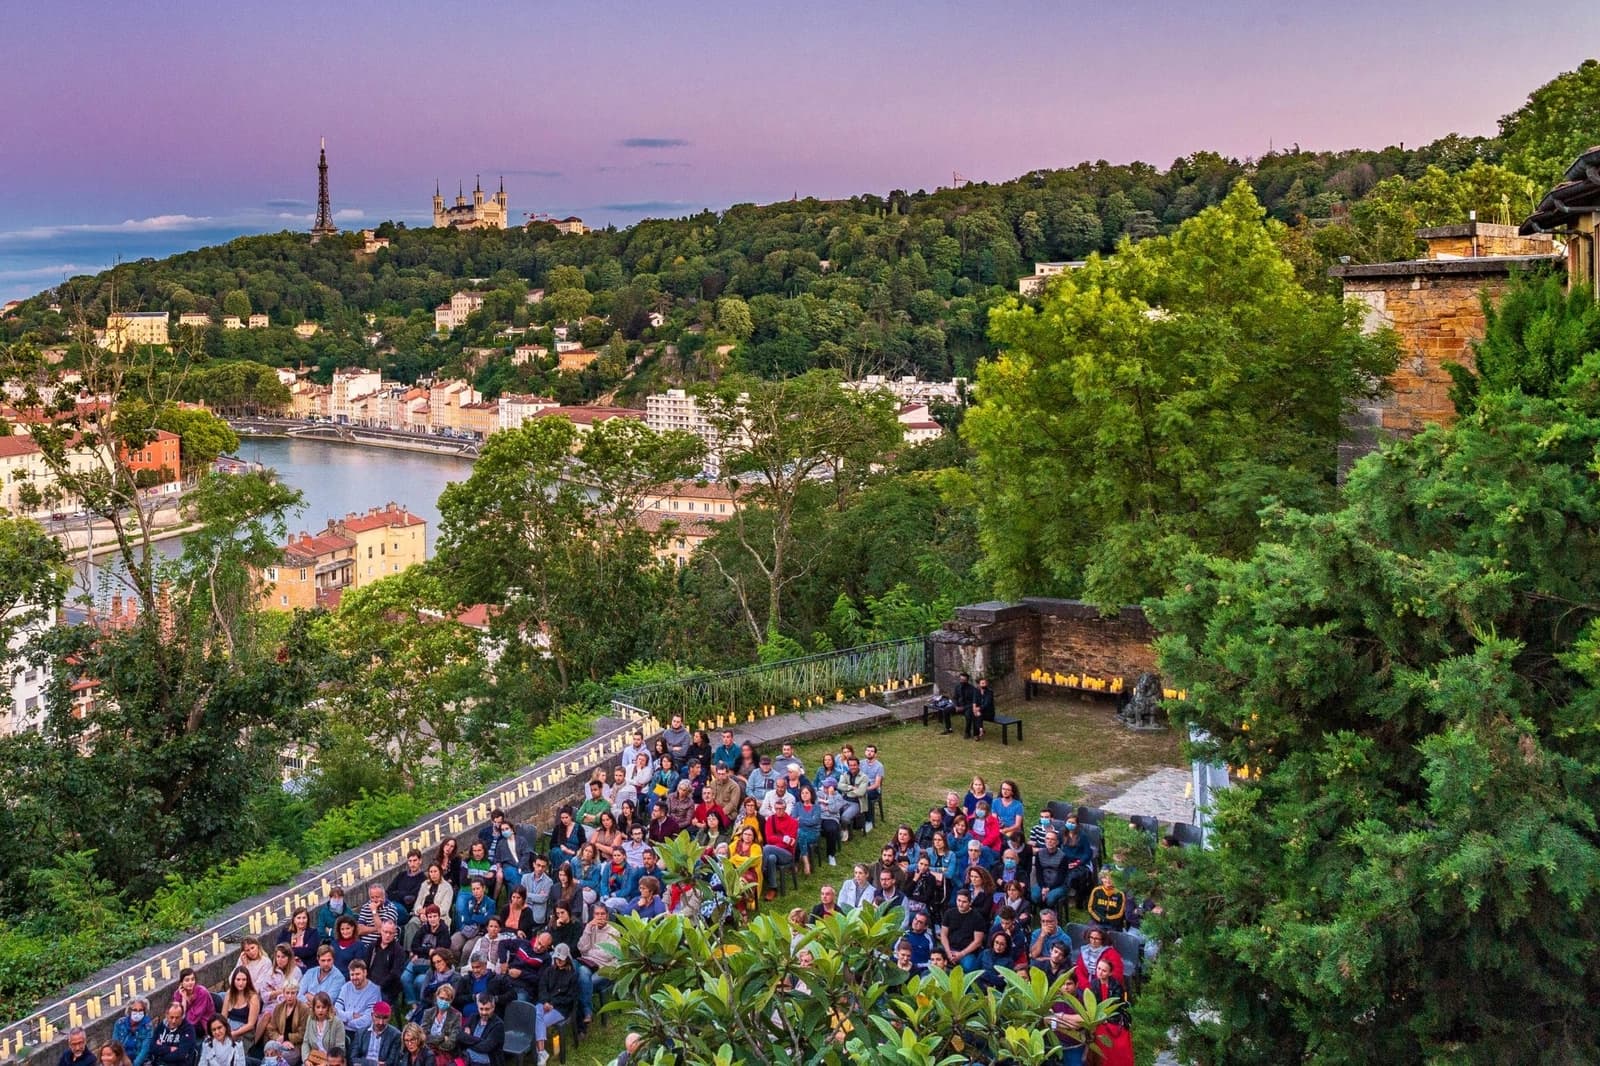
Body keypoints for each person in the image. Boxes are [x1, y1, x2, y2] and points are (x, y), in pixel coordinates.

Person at [533, 944, 578, 1066]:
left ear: (567, 958)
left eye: (561, 959)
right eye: (557, 959)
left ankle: (539, 1052)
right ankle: (542, 1052)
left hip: (560, 1008)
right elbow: (542, 987)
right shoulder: (549, 971)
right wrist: (546, 1001)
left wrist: (553, 1004)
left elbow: (570, 997)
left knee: (538, 1021)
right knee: (536, 1013)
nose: (558, 961)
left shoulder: (572, 975)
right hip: (544, 1003)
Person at [576, 903, 619, 1025]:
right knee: (583, 973)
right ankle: (587, 1012)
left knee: (583, 984)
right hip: (589, 965)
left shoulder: (614, 931)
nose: (600, 917)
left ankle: (582, 1018)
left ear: (607, 916)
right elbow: (581, 948)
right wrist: (588, 929)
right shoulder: (590, 928)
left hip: (606, 968)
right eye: (597, 914)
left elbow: (608, 954)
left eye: (603, 914)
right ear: (592, 915)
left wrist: (590, 952)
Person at [405, 907, 451, 1005]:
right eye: (430, 917)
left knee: (419, 980)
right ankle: (413, 1004)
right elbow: (414, 946)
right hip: (418, 960)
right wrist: (428, 951)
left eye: (435, 916)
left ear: (439, 917)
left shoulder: (444, 932)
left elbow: (440, 952)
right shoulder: (424, 929)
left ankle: (420, 1003)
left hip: (433, 965)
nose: (432, 919)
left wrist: (421, 952)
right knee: (404, 978)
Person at [940, 889, 988, 973]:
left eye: (964, 902)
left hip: (967, 952)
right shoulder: (949, 913)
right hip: (949, 948)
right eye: (959, 900)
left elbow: (978, 942)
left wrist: (961, 954)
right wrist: (948, 952)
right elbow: (943, 934)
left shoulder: (977, 918)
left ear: (970, 902)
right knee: (936, 961)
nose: (960, 904)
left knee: (968, 967)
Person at [263, 982, 309, 1066]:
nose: (290, 996)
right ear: (283, 993)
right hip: (279, 1042)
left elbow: (303, 1034)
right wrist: (280, 1039)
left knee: (280, 1058)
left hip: (294, 1045)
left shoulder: (304, 1009)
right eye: (287, 993)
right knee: (268, 1049)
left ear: (297, 993)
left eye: (293, 993)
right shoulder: (279, 1007)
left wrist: (286, 1037)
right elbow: (271, 1028)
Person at [761, 801, 799, 901]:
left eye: (781, 809)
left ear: (785, 808)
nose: (778, 811)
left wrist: (777, 840)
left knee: (767, 848)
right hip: (774, 851)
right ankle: (773, 888)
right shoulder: (770, 819)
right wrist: (783, 839)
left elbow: (791, 843)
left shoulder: (793, 822)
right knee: (771, 858)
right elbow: (769, 838)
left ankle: (761, 871)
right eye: (777, 808)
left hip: (787, 854)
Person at [365, 922, 407, 1008]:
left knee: (375, 1008)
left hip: (387, 989)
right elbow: (365, 965)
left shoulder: (399, 951)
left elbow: (395, 973)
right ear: (380, 931)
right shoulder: (373, 946)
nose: (387, 935)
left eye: (390, 933)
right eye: (385, 932)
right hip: (369, 984)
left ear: (394, 934)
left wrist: (379, 986)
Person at [335, 959, 381, 1038]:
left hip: (362, 1033)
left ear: (365, 973)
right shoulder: (346, 987)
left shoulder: (374, 991)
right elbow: (335, 1011)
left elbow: (368, 1019)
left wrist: (345, 1022)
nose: (354, 977)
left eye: (357, 974)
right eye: (352, 975)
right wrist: (351, 1015)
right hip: (341, 1029)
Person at [348, 1001, 403, 1066]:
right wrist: (373, 1064)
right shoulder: (361, 1033)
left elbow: (392, 1061)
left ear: (390, 1017)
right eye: (377, 1017)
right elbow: (353, 1058)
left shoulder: (395, 1035)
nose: (381, 1022)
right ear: (372, 1015)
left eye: (385, 1018)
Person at [457, 993, 504, 1066]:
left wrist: (467, 1040)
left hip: (486, 1062)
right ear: (477, 1008)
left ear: (493, 1007)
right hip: (467, 1058)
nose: (484, 1012)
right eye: (481, 1009)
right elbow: (460, 1035)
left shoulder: (498, 1025)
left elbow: (485, 1047)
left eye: (487, 1009)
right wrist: (480, 1041)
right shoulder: (473, 1017)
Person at [418, 986, 462, 1061]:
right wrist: (442, 1038)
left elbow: (451, 1043)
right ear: (436, 997)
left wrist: (432, 1042)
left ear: (451, 1000)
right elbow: (423, 1037)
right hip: (426, 1050)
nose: (444, 1001)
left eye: (447, 999)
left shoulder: (456, 1016)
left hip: (445, 1053)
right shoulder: (428, 1012)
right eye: (441, 998)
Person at [301, 993, 346, 1066]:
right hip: (314, 1059)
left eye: (323, 1007)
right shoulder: (310, 1019)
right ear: (313, 1008)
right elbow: (306, 1042)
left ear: (328, 1008)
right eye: (318, 1007)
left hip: (332, 1062)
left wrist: (327, 1063)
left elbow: (340, 1049)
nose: (320, 1010)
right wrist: (306, 1060)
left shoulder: (337, 1023)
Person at [453, 879, 496, 952]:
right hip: (466, 929)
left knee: (467, 949)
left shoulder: (490, 903)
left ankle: (464, 963)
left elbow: (486, 921)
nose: (475, 891)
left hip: (480, 933)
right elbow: (464, 918)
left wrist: (472, 916)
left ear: (483, 888)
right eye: (473, 889)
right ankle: (454, 962)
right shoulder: (468, 900)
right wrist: (479, 918)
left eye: (478, 888)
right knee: (453, 943)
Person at [387, 851, 428, 929]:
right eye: (410, 861)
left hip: (406, 910)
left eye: (415, 860)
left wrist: (397, 893)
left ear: (420, 861)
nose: (412, 864)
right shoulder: (401, 875)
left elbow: (410, 899)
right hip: (392, 904)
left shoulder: (423, 879)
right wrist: (402, 895)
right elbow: (388, 892)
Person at [220, 967, 261, 1045]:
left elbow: (251, 1025)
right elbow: (223, 1017)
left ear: (247, 981)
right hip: (228, 1027)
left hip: (244, 1031)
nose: (241, 983)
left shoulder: (253, 997)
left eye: (244, 980)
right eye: (238, 979)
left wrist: (234, 1033)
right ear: (233, 980)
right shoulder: (229, 993)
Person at [112, 1000, 155, 1066]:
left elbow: (145, 1049)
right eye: (135, 1010)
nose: (137, 1012)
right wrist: (124, 1059)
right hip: (122, 1057)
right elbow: (115, 1043)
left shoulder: (148, 1026)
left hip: (140, 1060)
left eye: (141, 1010)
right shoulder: (120, 1023)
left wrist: (134, 1064)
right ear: (129, 1010)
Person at [173, 966, 215, 1033]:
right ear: (181, 983)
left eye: (192, 979)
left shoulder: (202, 992)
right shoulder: (177, 994)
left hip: (202, 1021)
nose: (190, 982)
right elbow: (177, 1012)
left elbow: (193, 1017)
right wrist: (184, 998)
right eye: (187, 980)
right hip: (185, 1020)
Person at [859, 745, 885, 830]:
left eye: (871, 751)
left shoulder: (879, 766)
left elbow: (877, 784)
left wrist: (865, 789)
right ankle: (857, 819)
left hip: (873, 789)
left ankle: (869, 820)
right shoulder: (861, 763)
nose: (869, 752)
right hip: (861, 786)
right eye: (867, 750)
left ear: (875, 754)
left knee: (866, 795)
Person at [950, 671, 977, 736]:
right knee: (946, 710)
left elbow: (974, 702)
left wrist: (963, 708)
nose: (961, 681)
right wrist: (956, 706)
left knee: (968, 716)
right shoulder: (957, 687)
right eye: (960, 679)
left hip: (968, 707)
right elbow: (954, 698)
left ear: (967, 680)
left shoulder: (972, 689)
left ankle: (967, 733)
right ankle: (948, 728)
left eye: (963, 680)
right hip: (958, 706)